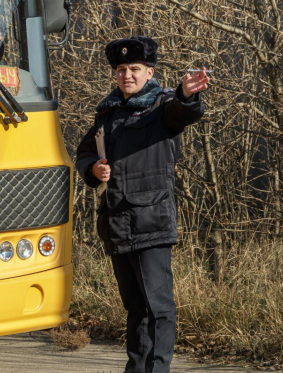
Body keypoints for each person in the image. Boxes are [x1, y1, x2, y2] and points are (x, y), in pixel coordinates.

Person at [75, 36, 209, 373]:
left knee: (158, 308)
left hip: (151, 221)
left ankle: (157, 369)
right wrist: (93, 168)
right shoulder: (108, 111)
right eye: (121, 69)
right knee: (135, 309)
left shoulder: (161, 105)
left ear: (149, 72)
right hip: (117, 222)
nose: (127, 75)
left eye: (134, 69)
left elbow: (182, 113)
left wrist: (187, 95)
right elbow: (85, 151)